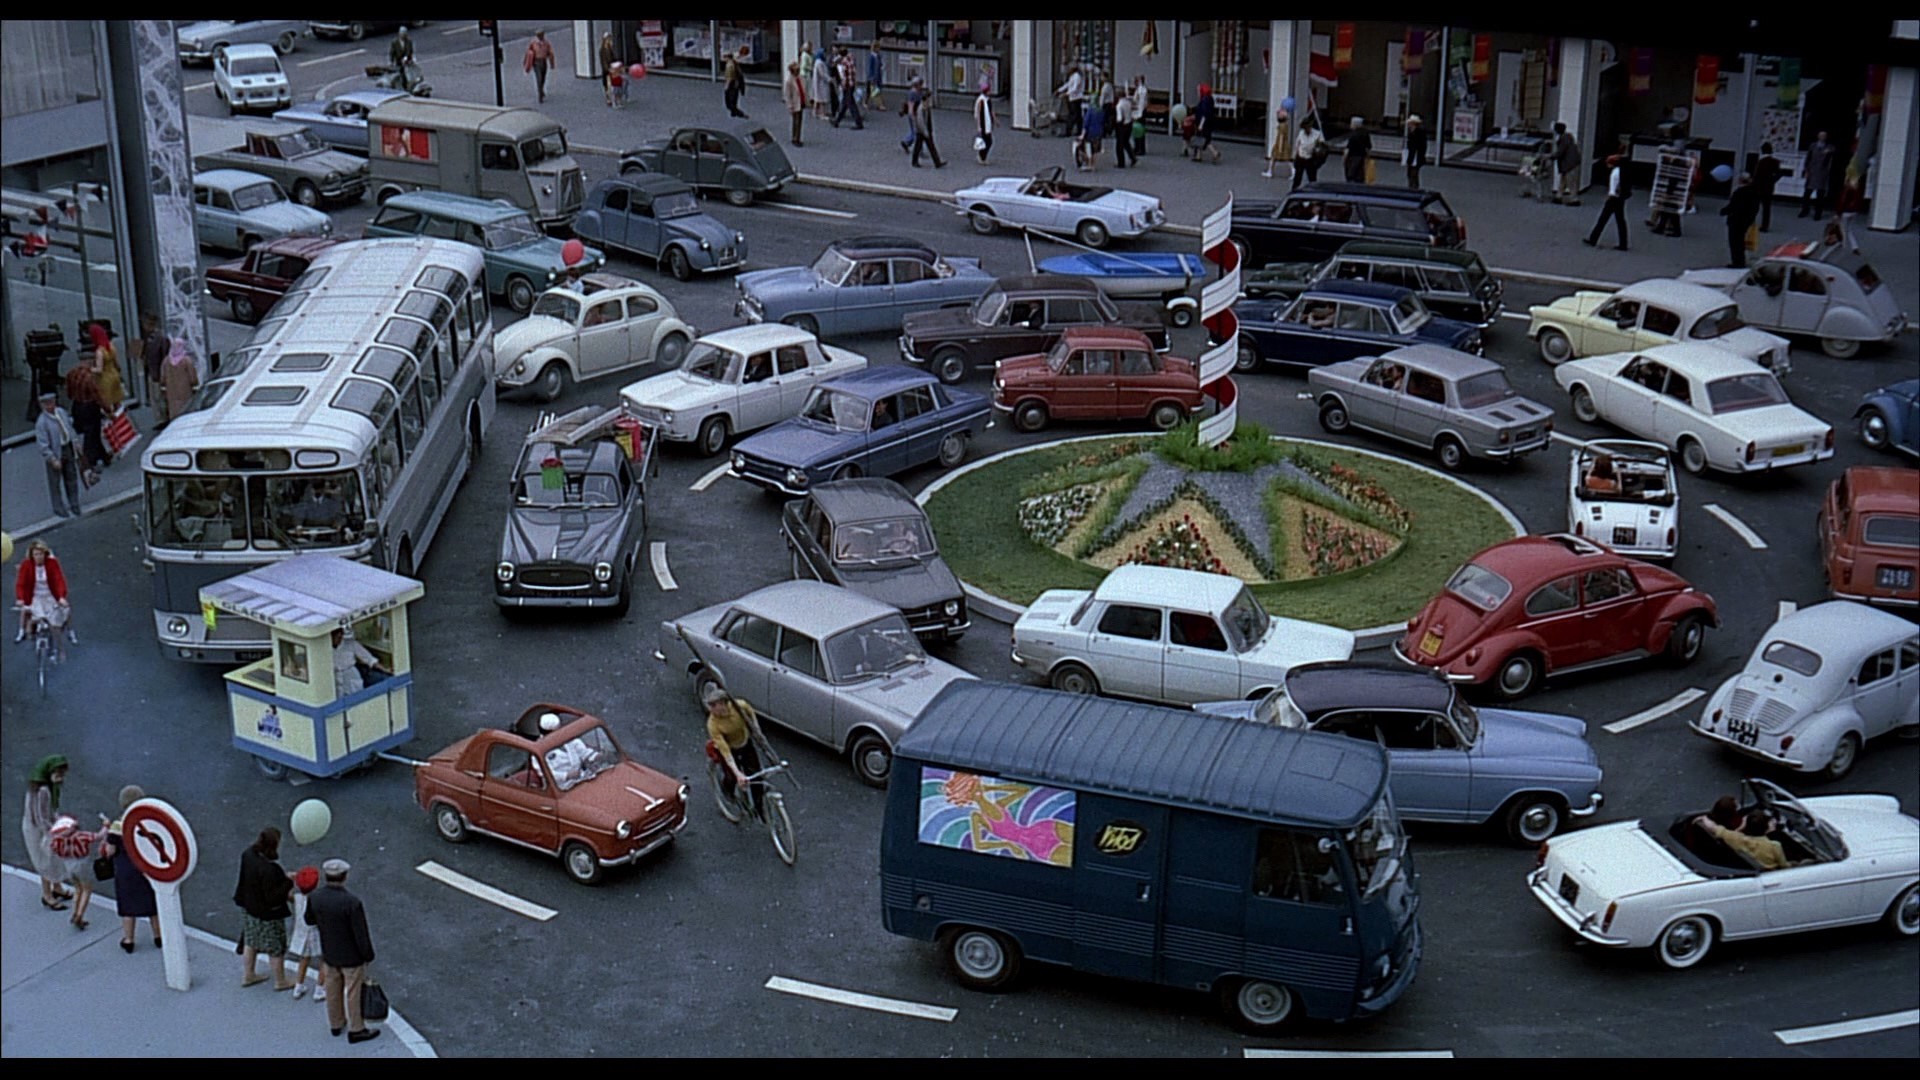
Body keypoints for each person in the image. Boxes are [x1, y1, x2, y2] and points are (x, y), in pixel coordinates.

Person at [306, 858, 379, 1043]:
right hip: (351, 956)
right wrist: (368, 955)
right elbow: (360, 933)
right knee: (353, 992)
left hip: (330, 952)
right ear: (344, 876)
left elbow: (309, 920)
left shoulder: (315, 897)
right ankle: (357, 1028)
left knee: (332, 989)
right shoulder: (351, 902)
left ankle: (336, 1023)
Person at [234, 827, 296, 991]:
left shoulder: (248, 855)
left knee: (250, 941)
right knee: (275, 948)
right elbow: (274, 897)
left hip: (249, 908)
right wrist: (288, 881)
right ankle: (281, 981)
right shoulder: (270, 869)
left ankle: (248, 975)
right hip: (268, 915)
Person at [104, 785, 162, 953]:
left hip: (126, 870)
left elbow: (110, 850)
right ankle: (158, 936)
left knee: (128, 907)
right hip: (145, 867)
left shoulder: (118, 826)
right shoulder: (147, 823)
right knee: (153, 905)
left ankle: (129, 939)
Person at [705, 684, 766, 818]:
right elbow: (725, 751)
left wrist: (757, 730)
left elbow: (750, 712)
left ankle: (759, 807)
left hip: (745, 743)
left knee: (756, 776)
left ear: (723, 704)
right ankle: (727, 790)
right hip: (730, 750)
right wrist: (738, 774)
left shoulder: (739, 706)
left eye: (714, 705)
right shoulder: (713, 724)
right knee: (732, 776)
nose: (711, 709)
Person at [23, 755, 75, 910]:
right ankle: (47, 895)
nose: (61, 778)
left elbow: (48, 812)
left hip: (40, 827)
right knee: (45, 860)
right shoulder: (43, 791)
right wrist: (56, 831)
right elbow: (40, 818)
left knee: (53, 858)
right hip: (38, 831)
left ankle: (56, 887)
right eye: (58, 774)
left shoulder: (43, 787)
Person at [47, 812, 106, 931]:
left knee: (78, 889)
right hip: (81, 863)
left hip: (67, 864)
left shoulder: (57, 840)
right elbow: (99, 836)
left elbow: (52, 848)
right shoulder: (81, 836)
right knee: (86, 889)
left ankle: (75, 912)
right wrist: (106, 825)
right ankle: (80, 914)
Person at [16, 538, 77, 649]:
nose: (39, 557)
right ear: (32, 555)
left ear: (45, 554)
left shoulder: (52, 563)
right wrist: (20, 598)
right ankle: (21, 631)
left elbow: (59, 580)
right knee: (27, 611)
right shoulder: (26, 565)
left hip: (50, 595)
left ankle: (71, 632)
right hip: (35, 597)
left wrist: (61, 596)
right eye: (36, 554)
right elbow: (21, 583)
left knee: (65, 609)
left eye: (41, 554)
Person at [35, 391, 83, 518]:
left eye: (52, 402)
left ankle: (74, 503)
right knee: (55, 482)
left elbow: (69, 429)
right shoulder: (42, 422)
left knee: (71, 477)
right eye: (47, 403)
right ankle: (58, 507)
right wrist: (52, 459)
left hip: (67, 448)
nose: (50, 405)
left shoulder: (61, 412)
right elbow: (43, 444)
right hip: (55, 452)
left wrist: (76, 441)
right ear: (42, 405)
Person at [1694, 810, 1790, 869]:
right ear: (1766, 829)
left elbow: (1713, 827)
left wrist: (1704, 818)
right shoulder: (1774, 846)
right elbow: (1784, 866)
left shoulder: (1736, 839)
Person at [288, 865, 328, 1000]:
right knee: (324, 960)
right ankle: (319, 989)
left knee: (303, 960)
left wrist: (291, 880)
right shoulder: (319, 899)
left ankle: (298, 986)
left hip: (301, 933)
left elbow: (287, 895)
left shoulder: (296, 898)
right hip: (316, 933)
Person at [65, 364, 107, 478]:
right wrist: (107, 409)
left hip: (77, 406)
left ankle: (103, 455)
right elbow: (97, 395)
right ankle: (89, 462)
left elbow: (68, 393)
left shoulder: (72, 373)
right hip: (89, 407)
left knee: (91, 433)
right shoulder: (90, 377)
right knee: (92, 433)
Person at [1583, 154, 1630, 250]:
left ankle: (1593, 239)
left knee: (1603, 219)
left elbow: (1613, 187)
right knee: (1620, 220)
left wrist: (1610, 196)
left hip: (1613, 199)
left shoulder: (1614, 173)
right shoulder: (1622, 171)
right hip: (1620, 198)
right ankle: (1623, 243)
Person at [331, 626, 386, 697]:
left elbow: (369, 659)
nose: (340, 639)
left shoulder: (350, 643)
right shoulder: (326, 649)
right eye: (337, 637)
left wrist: (385, 669)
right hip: (336, 678)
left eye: (341, 636)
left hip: (352, 676)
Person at [1722, 172, 1760, 269]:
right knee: (1740, 241)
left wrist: (1724, 211)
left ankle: (1737, 262)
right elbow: (1755, 208)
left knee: (1734, 242)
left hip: (1736, 220)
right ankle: (1740, 261)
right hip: (1746, 221)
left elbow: (1733, 206)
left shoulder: (1739, 192)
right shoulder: (1754, 192)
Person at [140, 312, 171, 428]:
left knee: (159, 397)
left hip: (158, 372)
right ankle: (160, 419)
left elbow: (165, 357)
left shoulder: (161, 339)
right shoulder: (147, 338)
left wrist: (163, 374)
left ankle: (164, 418)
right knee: (154, 397)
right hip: (151, 371)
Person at [86, 322, 122, 413]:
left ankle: (111, 419)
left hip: (105, 379)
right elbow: (117, 364)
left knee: (107, 404)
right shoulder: (111, 346)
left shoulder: (99, 351)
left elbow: (99, 369)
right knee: (117, 402)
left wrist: (89, 369)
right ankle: (120, 419)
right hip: (115, 376)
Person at [161, 338, 199, 423]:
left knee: (174, 409)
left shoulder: (166, 361)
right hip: (185, 390)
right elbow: (192, 377)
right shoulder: (186, 360)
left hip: (171, 391)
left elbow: (163, 378)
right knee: (186, 408)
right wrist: (195, 385)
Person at [908, 77, 943, 168]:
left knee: (922, 145)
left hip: (923, 128)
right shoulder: (921, 108)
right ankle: (936, 162)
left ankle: (936, 162)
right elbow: (920, 119)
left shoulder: (924, 106)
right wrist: (925, 131)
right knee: (925, 145)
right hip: (923, 129)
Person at [1800, 130, 1834, 219]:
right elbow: (1808, 158)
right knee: (1807, 193)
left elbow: (1833, 152)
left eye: (1824, 136)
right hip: (1812, 171)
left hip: (1822, 173)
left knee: (1820, 195)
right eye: (1821, 136)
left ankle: (1818, 213)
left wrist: (1828, 152)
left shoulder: (1829, 147)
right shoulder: (1812, 146)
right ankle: (1804, 210)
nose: (1822, 137)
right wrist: (1806, 170)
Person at [1753, 142, 1782, 232]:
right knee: (1766, 208)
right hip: (1769, 187)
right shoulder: (1775, 162)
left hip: (1759, 187)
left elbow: (1756, 176)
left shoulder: (1760, 162)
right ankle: (1765, 226)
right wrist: (1772, 180)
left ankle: (1751, 222)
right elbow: (1779, 174)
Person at [1189, 84, 1221, 164]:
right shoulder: (1209, 99)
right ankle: (1198, 155)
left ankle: (1214, 152)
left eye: (1198, 90)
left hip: (1203, 123)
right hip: (1208, 122)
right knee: (1203, 138)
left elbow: (1204, 113)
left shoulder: (1204, 100)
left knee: (1204, 139)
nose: (1197, 92)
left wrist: (1201, 124)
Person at [832, 48, 863, 129]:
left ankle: (858, 123)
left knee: (850, 104)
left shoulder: (844, 62)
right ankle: (837, 121)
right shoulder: (851, 59)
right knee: (845, 104)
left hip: (847, 85)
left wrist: (843, 86)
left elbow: (845, 76)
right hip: (852, 84)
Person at [1552, 121, 1582, 205]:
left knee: (1570, 182)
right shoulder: (1568, 137)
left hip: (1569, 163)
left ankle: (1574, 199)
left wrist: (1551, 156)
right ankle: (1559, 196)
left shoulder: (1563, 139)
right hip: (1571, 162)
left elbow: (1560, 152)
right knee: (1564, 180)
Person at [1834, 169, 1864, 254]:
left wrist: (1838, 213)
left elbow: (1842, 201)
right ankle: (1855, 247)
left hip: (1846, 212)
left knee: (1843, 230)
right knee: (1849, 229)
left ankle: (1843, 247)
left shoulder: (1847, 188)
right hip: (1854, 212)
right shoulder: (1858, 188)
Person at [1293, 115, 1326, 189]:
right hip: (1301, 157)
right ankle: (1295, 189)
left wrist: (1319, 151)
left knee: (1312, 177)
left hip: (1310, 158)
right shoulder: (1301, 133)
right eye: (1304, 128)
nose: (1306, 129)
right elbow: (1297, 145)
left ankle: (1313, 190)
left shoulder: (1317, 134)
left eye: (1307, 127)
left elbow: (1322, 146)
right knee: (1297, 177)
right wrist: (1296, 156)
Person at [523, 30, 553, 103]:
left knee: (543, 77)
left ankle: (541, 89)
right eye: (539, 35)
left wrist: (551, 62)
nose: (540, 36)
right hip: (536, 62)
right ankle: (540, 95)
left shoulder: (546, 43)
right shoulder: (533, 43)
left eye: (541, 35)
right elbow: (528, 52)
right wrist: (526, 62)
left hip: (544, 61)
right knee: (539, 78)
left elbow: (550, 53)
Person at [782, 60, 807, 147]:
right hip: (795, 103)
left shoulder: (800, 78)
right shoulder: (789, 81)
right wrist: (790, 106)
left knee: (799, 120)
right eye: (797, 70)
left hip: (801, 102)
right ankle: (795, 138)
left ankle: (798, 137)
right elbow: (787, 95)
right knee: (796, 121)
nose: (798, 72)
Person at [1078, 93, 1105, 171]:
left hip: (1090, 132)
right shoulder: (1101, 110)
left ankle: (1088, 163)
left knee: (1087, 148)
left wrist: (1082, 134)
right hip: (1099, 131)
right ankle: (1093, 164)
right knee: (1095, 149)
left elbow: (1086, 123)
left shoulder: (1090, 110)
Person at [1057, 63, 1085, 135]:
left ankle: (1068, 130)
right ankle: (1079, 130)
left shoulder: (1077, 76)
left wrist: (1066, 94)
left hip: (1076, 98)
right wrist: (1059, 90)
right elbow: (1068, 84)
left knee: (1073, 115)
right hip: (1072, 98)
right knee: (1077, 115)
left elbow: (1075, 88)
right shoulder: (1072, 76)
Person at [1263, 106, 1289, 179]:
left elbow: (1281, 137)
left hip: (1279, 145)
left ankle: (1270, 172)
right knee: (1280, 158)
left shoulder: (1281, 127)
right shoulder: (1285, 125)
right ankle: (1270, 171)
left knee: (1277, 157)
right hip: (1283, 144)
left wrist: (1280, 147)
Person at [1112, 85, 1135, 169]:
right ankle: (1132, 157)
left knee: (1119, 145)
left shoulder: (1119, 105)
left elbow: (1119, 118)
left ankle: (1121, 162)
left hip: (1122, 126)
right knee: (1126, 142)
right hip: (1129, 124)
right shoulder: (1128, 103)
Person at [1343, 116, 1371, 182]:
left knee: (1351, 174)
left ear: (1355, 125)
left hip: (1352, 157)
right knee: (1360, 175)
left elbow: (1348, 148)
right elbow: (1368, 147)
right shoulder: (1365, 133)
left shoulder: (1353, 135)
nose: (1350, 125)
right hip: (1362, 157)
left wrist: (1344, 158)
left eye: (1351, 123)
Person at [973, 78, 995, 164]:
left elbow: (991, 110)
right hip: (983, 124)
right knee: (988, 141)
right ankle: (982, 156)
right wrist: (978, 125)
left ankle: (982, 156)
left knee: (988, 141)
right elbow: (978, 113)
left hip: (988, 123)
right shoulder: (981, 100)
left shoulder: (988, 100)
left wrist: (995, 119)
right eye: (989, 91)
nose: (990, 92)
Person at [1403, 114, 1428, 188]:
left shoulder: (1419, 133)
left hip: (1416, 157)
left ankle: (1413, 188)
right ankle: (1412, 187)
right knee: (1411, 174)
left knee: (1413, 174)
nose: (1409, 125)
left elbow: (1421, 146)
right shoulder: (1412, 133)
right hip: (1412, 157)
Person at [723, 47, 748, 118]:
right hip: (736, 85)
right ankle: (733, 113)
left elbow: (730, 78)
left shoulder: (729, 65)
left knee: (730, 102)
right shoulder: (733, 62)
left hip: (733, 85)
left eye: (725, 57)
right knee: (733, 100)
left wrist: (726, 86)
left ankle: (740, 114)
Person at [811, 45, 833, 121]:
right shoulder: (820, 63)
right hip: (821, 84)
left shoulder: (817, 62)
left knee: (817, 98)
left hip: (818, 83)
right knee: (822, 99)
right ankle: (822, 114)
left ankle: (815, 112)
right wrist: (829, 79)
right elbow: (822, 74)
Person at [1129, 76, 1149, 157]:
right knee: (1138, 130)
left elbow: (1139, 102)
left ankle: (1139, 148)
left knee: (1138, 130)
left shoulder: (1141, 90)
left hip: (1139, 112)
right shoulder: (1141, 89)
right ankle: (1138, 147)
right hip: (1139, 111)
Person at [598, 32, 617, 108]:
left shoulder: (610, 48)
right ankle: (608, 98)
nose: (609, 41)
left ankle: (612, 97)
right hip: (606, 70)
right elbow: (603, 62)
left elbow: (613, 58)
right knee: (607, 85)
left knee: (612, 84)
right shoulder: (602, 50)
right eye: (608, 39)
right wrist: (607, 69)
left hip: (611, 68)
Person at [865, 43, 884, 113]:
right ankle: (879, 104)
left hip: (877, 76)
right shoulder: (872, 57)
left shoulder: (878, 56)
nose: (879, 49)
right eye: (878, 48)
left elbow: (880, 64)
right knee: (874, 90)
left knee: (872, 91)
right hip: (873, 76)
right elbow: (870, 68)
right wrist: (871, 77)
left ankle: (866, 102)